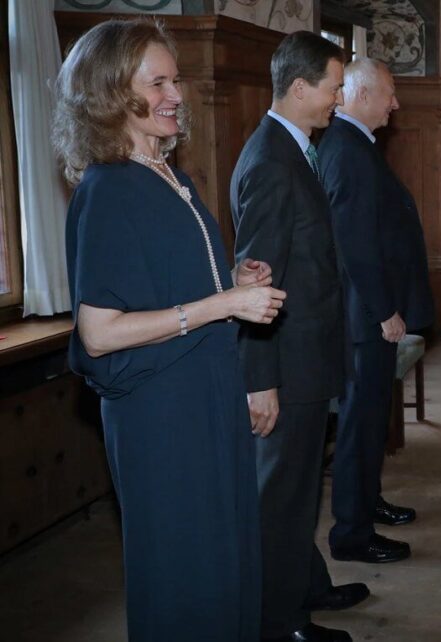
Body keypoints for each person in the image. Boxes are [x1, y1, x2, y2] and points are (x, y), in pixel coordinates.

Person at [55, 19, 286, 640]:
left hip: (204, 398)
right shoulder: (107, 190)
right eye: (156, 82)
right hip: (161, 418)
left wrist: (230, 276)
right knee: (186, 574)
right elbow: (99, 333)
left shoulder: (170, 176)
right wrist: (223, 305)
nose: (176, 94)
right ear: (110, 96)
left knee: (224, 559)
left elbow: (163, 280)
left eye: (175, 79)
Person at [232, 31, 364, 642]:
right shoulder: (270, 162)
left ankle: (306, 585)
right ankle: (279, 622)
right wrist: (261, 382)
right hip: (285, 365)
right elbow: (256, 284)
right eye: (334, 87)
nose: (338, 99)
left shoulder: (295, 149)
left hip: (306, 357)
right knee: (280, 501)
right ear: (301, 86)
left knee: (299, 489)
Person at [318, 57, 435, 564]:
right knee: (359, 427)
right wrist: (384, 308)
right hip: (362, 318)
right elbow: (354, 244)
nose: (395, 103)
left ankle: (368, 502)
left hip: (367, 315)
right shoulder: (346, 149)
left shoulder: (356, 144)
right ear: (360, 94)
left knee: (370, 424)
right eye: (388, 93)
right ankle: (352, 533)